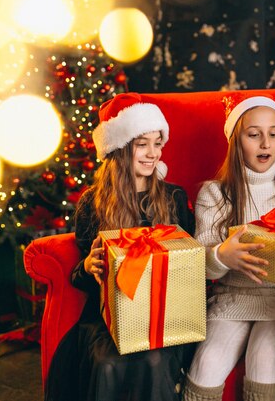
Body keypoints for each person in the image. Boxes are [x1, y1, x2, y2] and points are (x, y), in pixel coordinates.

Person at [45, 92, 196, 401]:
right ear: (120, 148)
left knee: (153, 360)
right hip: (108, 315)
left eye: (158, 143)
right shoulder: (93, 202)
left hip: (163, 316)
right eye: (142, 144)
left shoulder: (174, 198)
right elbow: (83, 272)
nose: (153, 153)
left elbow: (192, 267)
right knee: (107, 363)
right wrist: (88, 267)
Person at [182, 94, 275, 401]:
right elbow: (200, 263)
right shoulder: (214, 194)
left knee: (264, 358)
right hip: (231, 299)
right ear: (236, 141)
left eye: (273, 134)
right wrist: (221, 255)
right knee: (207, 362)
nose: (265, 144)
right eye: (254, 135)